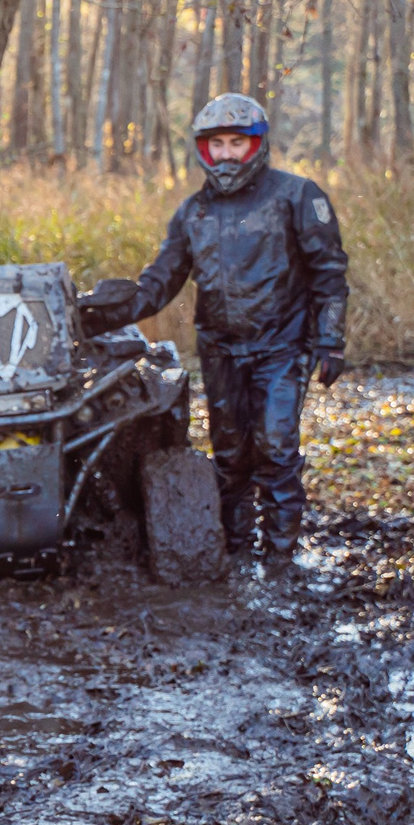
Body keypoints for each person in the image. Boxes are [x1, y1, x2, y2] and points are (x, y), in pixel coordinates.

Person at [77, 93, 349, 563]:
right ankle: (237, 554)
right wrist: (90, 316)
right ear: (203, 149)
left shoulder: (298, 196)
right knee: (229, 455)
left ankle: (281, 560)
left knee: (277, 448)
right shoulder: (192, 213)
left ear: (257, 144)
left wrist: (330, 340)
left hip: (282, 346)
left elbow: (329, 274)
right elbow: (157, 284)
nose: (225, 153)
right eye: (216, 144)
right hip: (220, 348)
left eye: (235, 143)